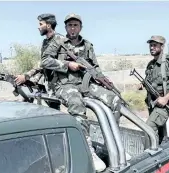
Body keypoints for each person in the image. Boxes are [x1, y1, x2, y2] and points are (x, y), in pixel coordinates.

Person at [40, 13, 128, 172]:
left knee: (115, 100)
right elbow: (45, 61)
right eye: (69, 25)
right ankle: (88, 150)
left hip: (86, 83)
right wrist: (68, 64)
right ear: (65, 27)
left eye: (75, 25)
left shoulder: (87, 45)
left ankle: (111, 144)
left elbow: (95, 66)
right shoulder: (57, 42)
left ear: (80, 27)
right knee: (76, 104)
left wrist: (103, 78)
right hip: (64, 84)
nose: (72, 28)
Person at [14, 13, 61, 110]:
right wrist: (33, 81)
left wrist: (26, 76)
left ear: (48, 25)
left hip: (59, 84)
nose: (38, 27)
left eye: (40, 24)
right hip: (48, 83)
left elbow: (46, 63)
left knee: (55, 112)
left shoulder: (60, 40)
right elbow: (44, 66)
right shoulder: (45, 42)